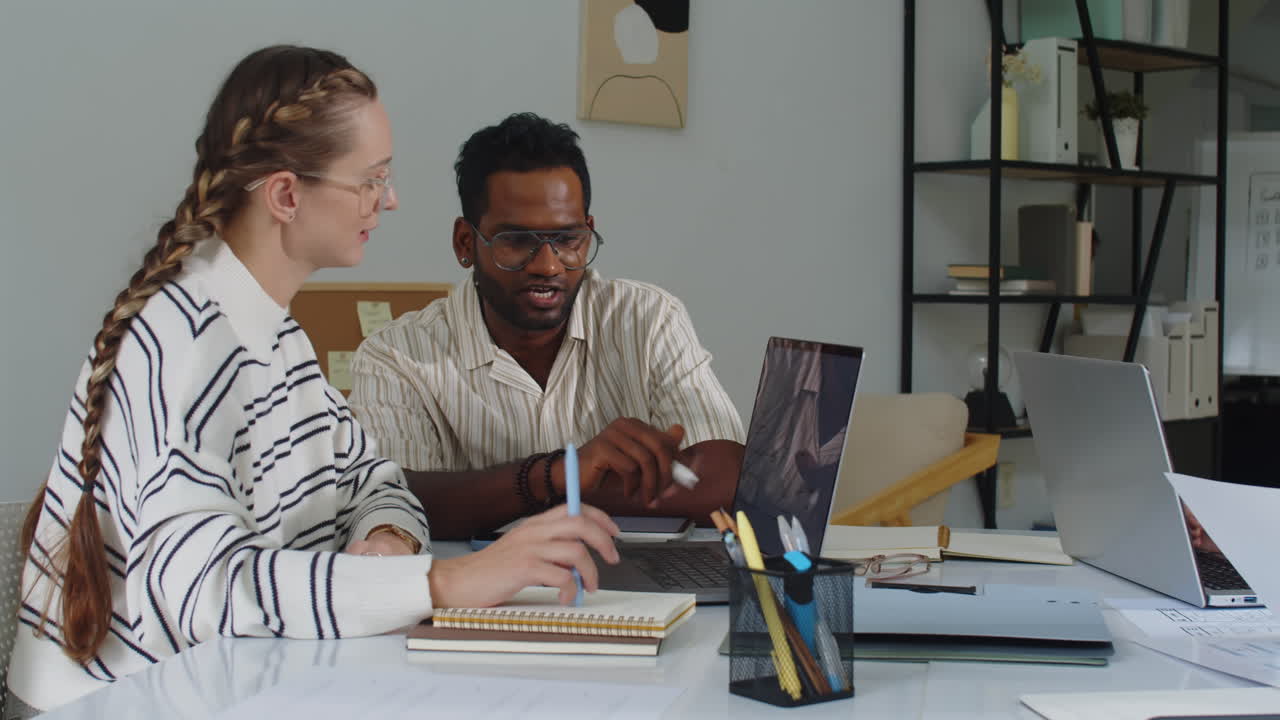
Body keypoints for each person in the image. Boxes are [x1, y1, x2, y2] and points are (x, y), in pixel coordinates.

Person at [9, 48, 618, 717]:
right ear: (286, 195)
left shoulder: (276, 337)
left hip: (242, 687)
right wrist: (444, 582)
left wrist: (386, 543)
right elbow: (208, 591)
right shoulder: (183, 342)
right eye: (371, 179)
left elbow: (377, 482)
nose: (390, 199)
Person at [349, 113, 745, 540]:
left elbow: (727, 479)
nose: (548, 265)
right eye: (517, 241)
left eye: (567, 239)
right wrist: (561, 473)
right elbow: (390, 501)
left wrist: (549, 488)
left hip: (632, 580)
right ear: (465, 243)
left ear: (588, 235)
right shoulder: (397, 355)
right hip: (480, 583)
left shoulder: (647, 319)